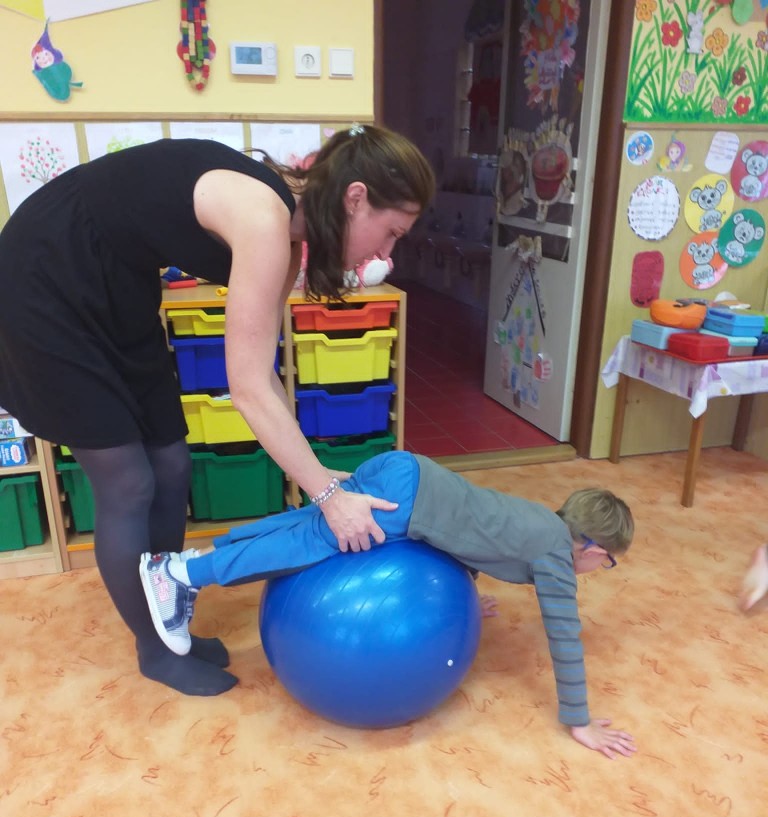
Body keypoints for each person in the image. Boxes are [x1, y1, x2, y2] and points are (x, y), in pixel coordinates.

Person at [0, 126, 435, 698]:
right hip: (43, 279)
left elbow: (264, 373)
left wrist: (316, 472)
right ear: (356, 198)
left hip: (118, 287)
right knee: (128, 483)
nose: (386, 255)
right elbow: (246, 388)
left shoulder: (287, 242)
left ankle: (166, 611)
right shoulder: (263, 219)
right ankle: (155, 650)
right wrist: (327, 497)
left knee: (171, 465)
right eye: (392, 232)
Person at [140, 451, 637, 760]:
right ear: (595, 552)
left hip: (409, 470)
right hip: (410, 501)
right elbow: (564, 635)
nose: (600, 570)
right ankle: (179, 576)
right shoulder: (555, 556)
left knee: (307, 526)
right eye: (607, 564)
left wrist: (461, 598)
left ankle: (200, 557)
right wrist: (579, 720)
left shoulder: (540, 521)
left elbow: (475, 536)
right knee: (309, 544)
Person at [739, 544, 768, 612]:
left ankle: (743, 598)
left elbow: (759, 551)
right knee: (757, 592)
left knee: (747, 587)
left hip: (754, 572)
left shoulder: (763, 549)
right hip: (763, 579)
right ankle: (748, 603)